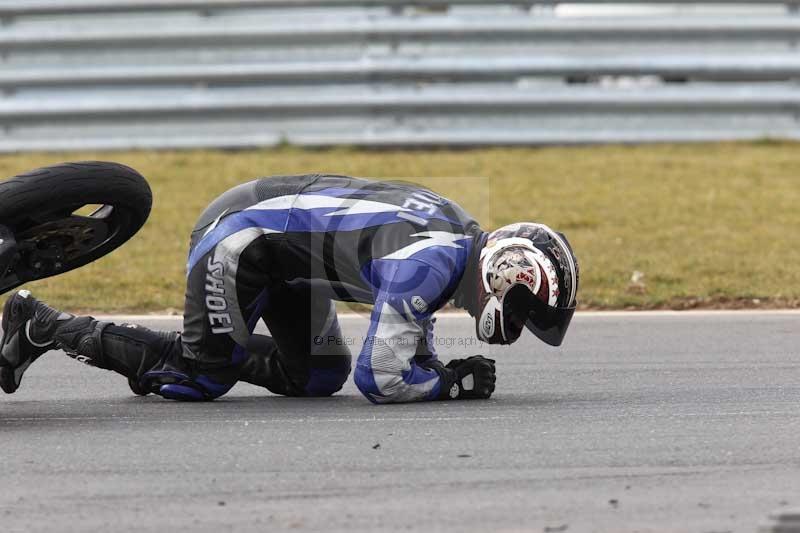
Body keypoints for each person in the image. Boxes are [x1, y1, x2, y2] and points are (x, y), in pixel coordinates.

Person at [0, 174, 579, 404]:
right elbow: (382, 379)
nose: (521, 327)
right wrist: (448, 383)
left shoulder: (452, 243)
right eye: (528, 313)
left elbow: (401, 333)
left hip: (290, 259)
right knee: (202, 377)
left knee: (317, 378)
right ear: (509, 279)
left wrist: (434, 367)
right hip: (245, 238)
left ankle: (216, 347)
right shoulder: (430, 261)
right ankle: (41, 324)